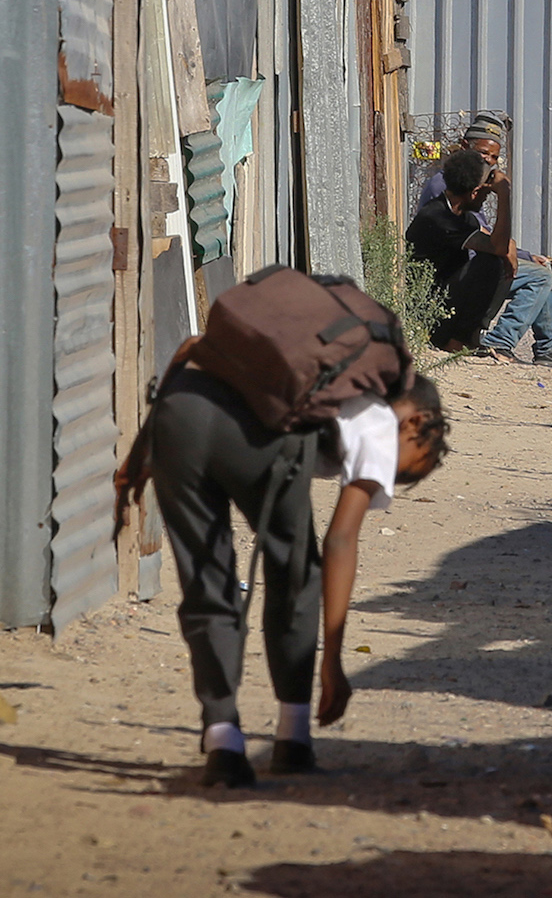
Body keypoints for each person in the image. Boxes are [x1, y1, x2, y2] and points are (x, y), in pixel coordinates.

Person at [130, 320, 450, 788]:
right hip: (258, 440)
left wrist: (139, 453)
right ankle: (293, 740)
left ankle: (222, 740)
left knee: (206, 577)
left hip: (179, 414)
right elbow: (339, 541)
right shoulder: (382, 420)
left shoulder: (316, 368)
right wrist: (332, 661)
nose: (391, 480)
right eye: (407, 468)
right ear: (418, 421)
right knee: (296, 573)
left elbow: (192, 346)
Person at [409, 142, 552, 364]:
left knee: (533, 271)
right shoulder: (438, 217)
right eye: (486, 193)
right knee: (494, 262)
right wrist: (504, 195)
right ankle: (466, 340)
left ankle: (541, 345)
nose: (486, 199)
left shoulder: (460, 213)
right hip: (433, 310)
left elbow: (498, 243)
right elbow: (498, 247)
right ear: (475, 192)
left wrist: (510, 248)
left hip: (449, 296)